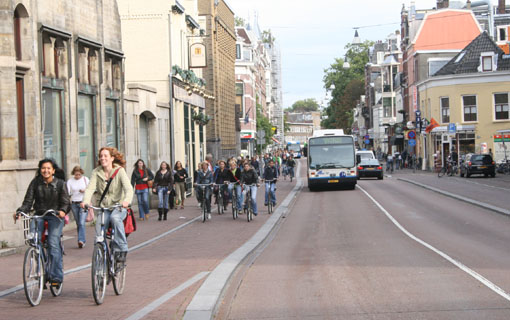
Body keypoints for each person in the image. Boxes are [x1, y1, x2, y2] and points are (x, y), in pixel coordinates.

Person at [15, 158, 70, 288]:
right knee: (34, 240)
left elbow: (66, 202)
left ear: (53, 171)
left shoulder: (60, 184)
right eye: (43, 168)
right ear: (40, 170)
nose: (45, 170)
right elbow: (28, 201)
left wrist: (62, 211)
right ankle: (41, 267)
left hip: (55, 216)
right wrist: (20, 211)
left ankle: (56, 276)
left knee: (52, 242)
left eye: (48, 168)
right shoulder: (35, 183)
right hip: (39, 215)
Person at [82, 147, 133, 263]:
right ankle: (101, 256)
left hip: (118, 207)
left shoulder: (119, 171)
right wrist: (85, 201)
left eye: (105, 156)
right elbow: (90, 188)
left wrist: (126, 201)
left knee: (115, 218)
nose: (102, 158)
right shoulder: (96, 172)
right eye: (101, 156)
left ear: (112, 158)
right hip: (104, 207)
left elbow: (129, 189)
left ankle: (122, 248)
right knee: (99, 231)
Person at [66, 165, 89, 248]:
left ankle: (81, 240)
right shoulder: (70, 181)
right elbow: (68, 192)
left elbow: (90, 189)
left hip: (83, 203)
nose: (77, 176)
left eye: (79, 174)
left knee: (82, 222)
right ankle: (81, 239)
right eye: (76, 174)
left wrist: (84, 191)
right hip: (74, 203)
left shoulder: (85, 179)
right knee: (78, 223)